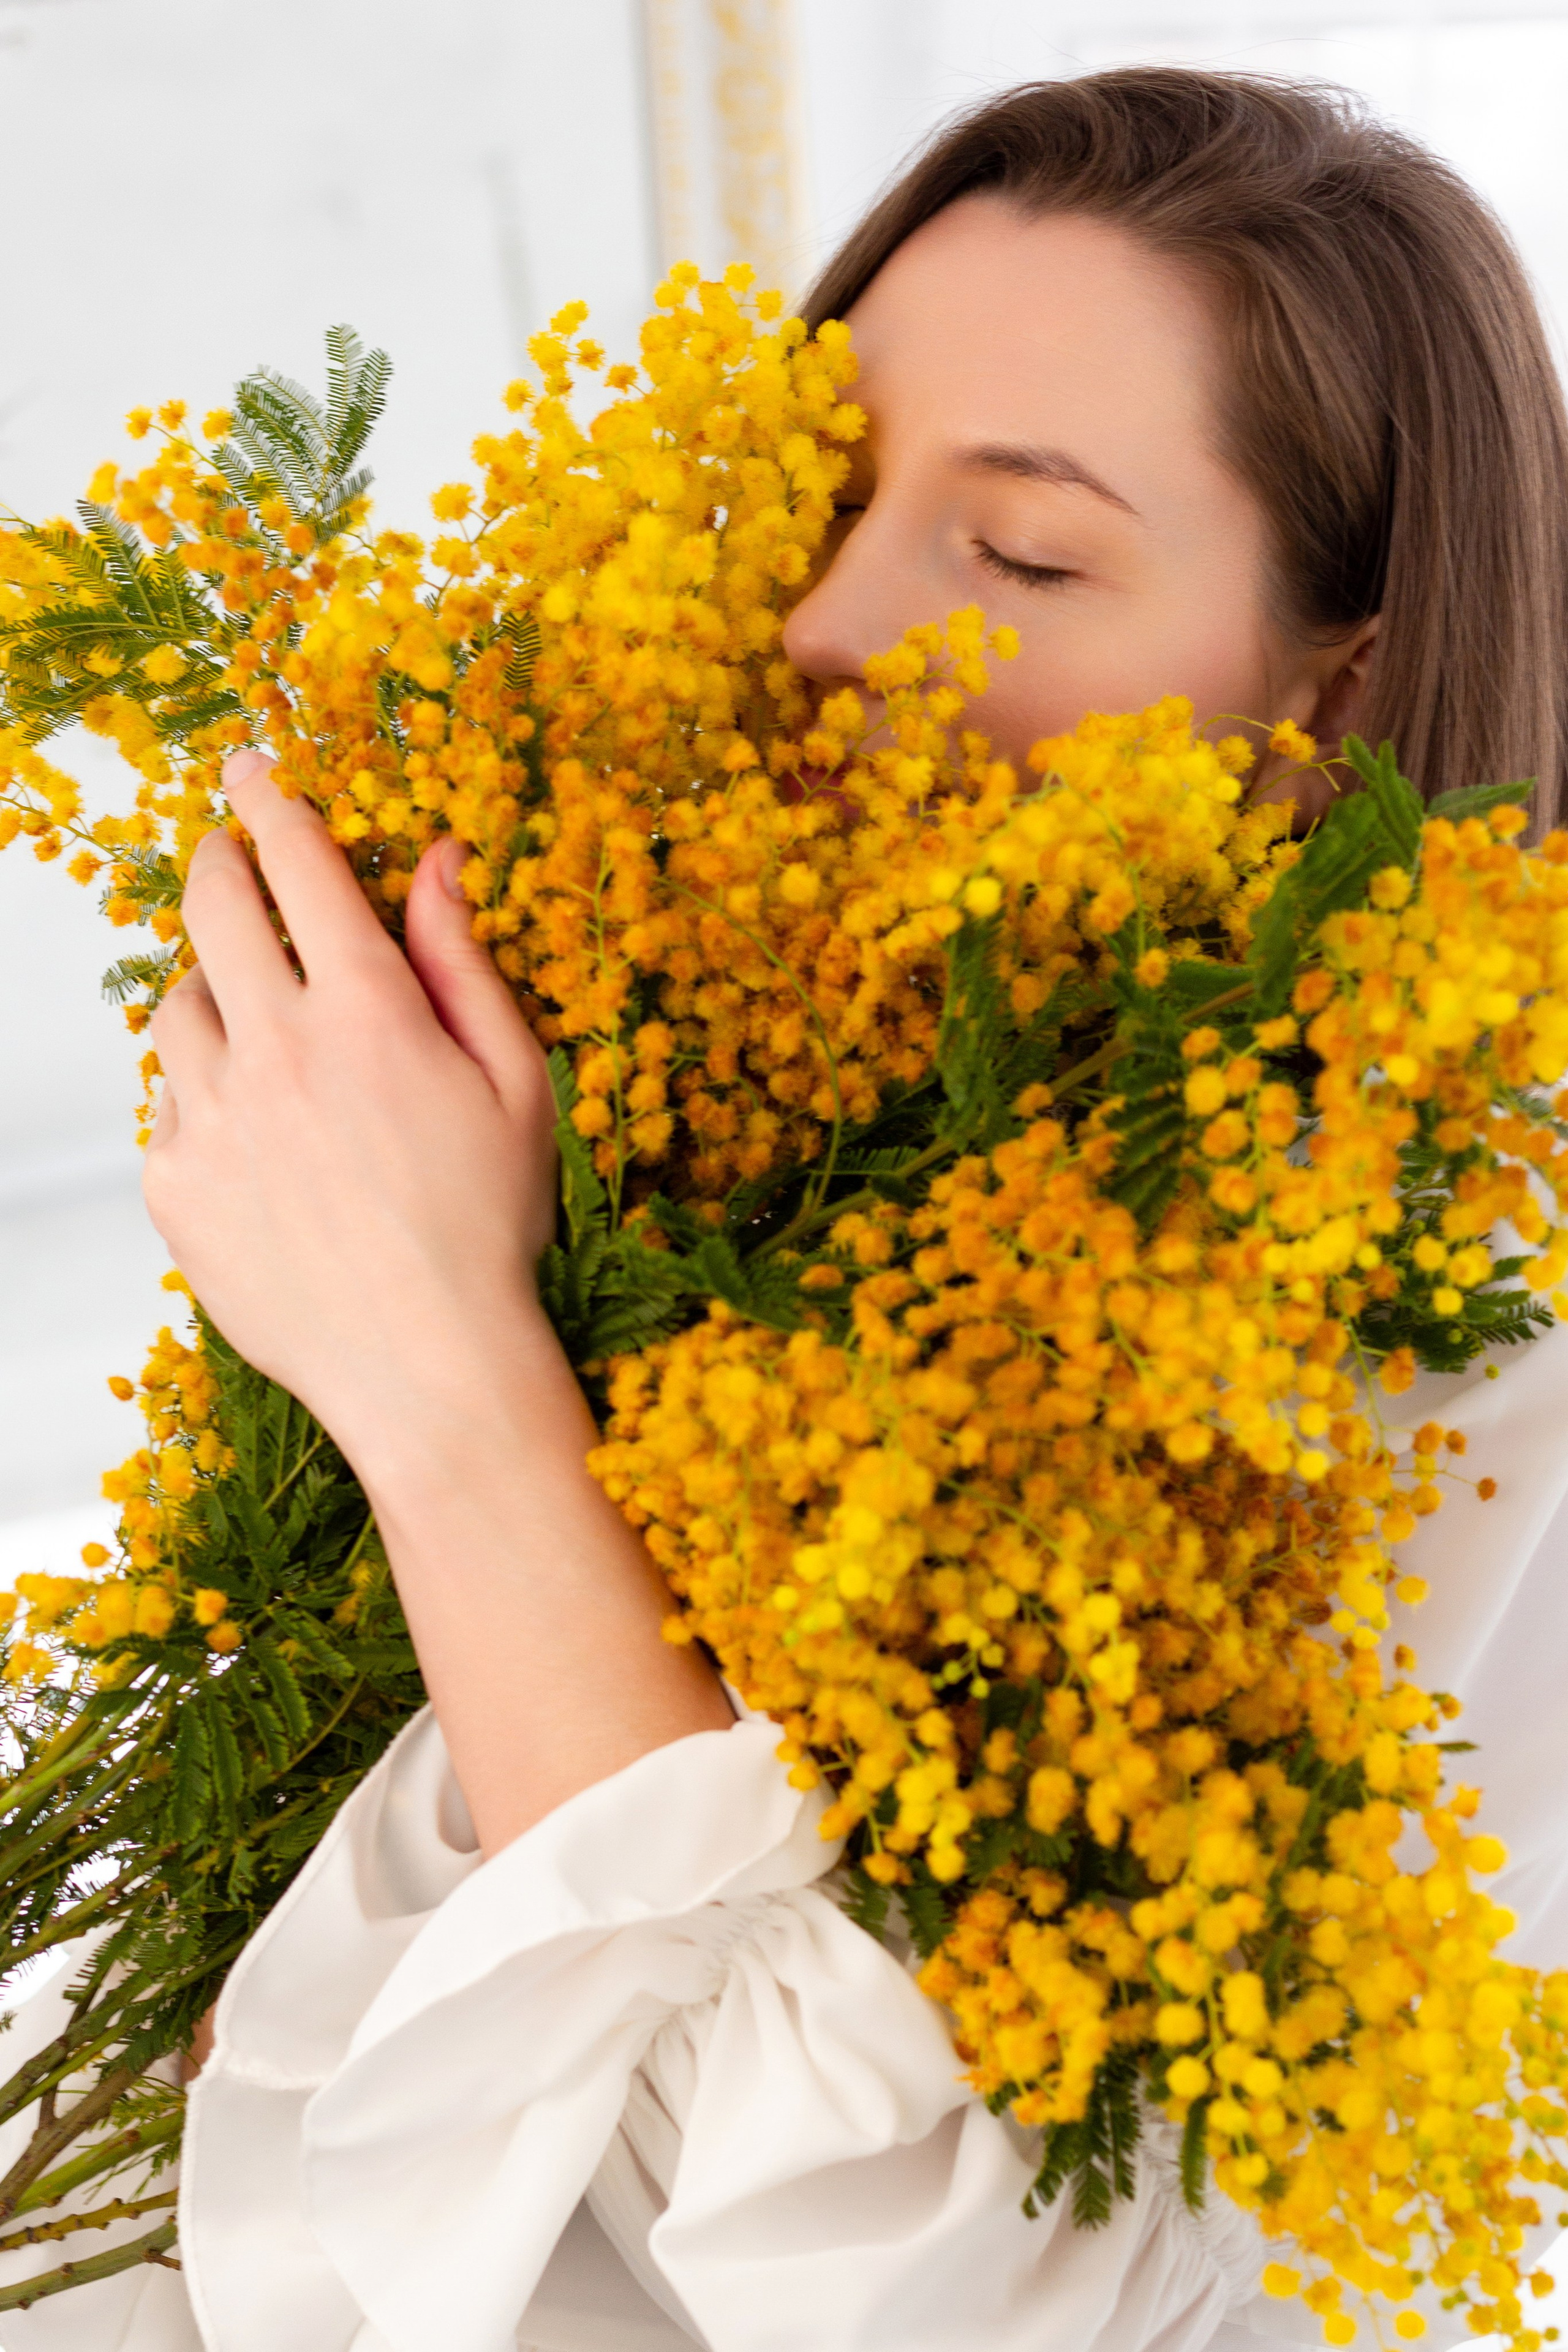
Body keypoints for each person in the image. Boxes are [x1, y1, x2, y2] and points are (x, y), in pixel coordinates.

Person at [4, 64, 1568, 2352]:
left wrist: (445, 1383)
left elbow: (969, 2299)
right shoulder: (670, 1103)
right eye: (804, 497)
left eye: (1019, 554)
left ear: (1343, 685)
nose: (828, 634)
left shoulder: (1438, 1322)